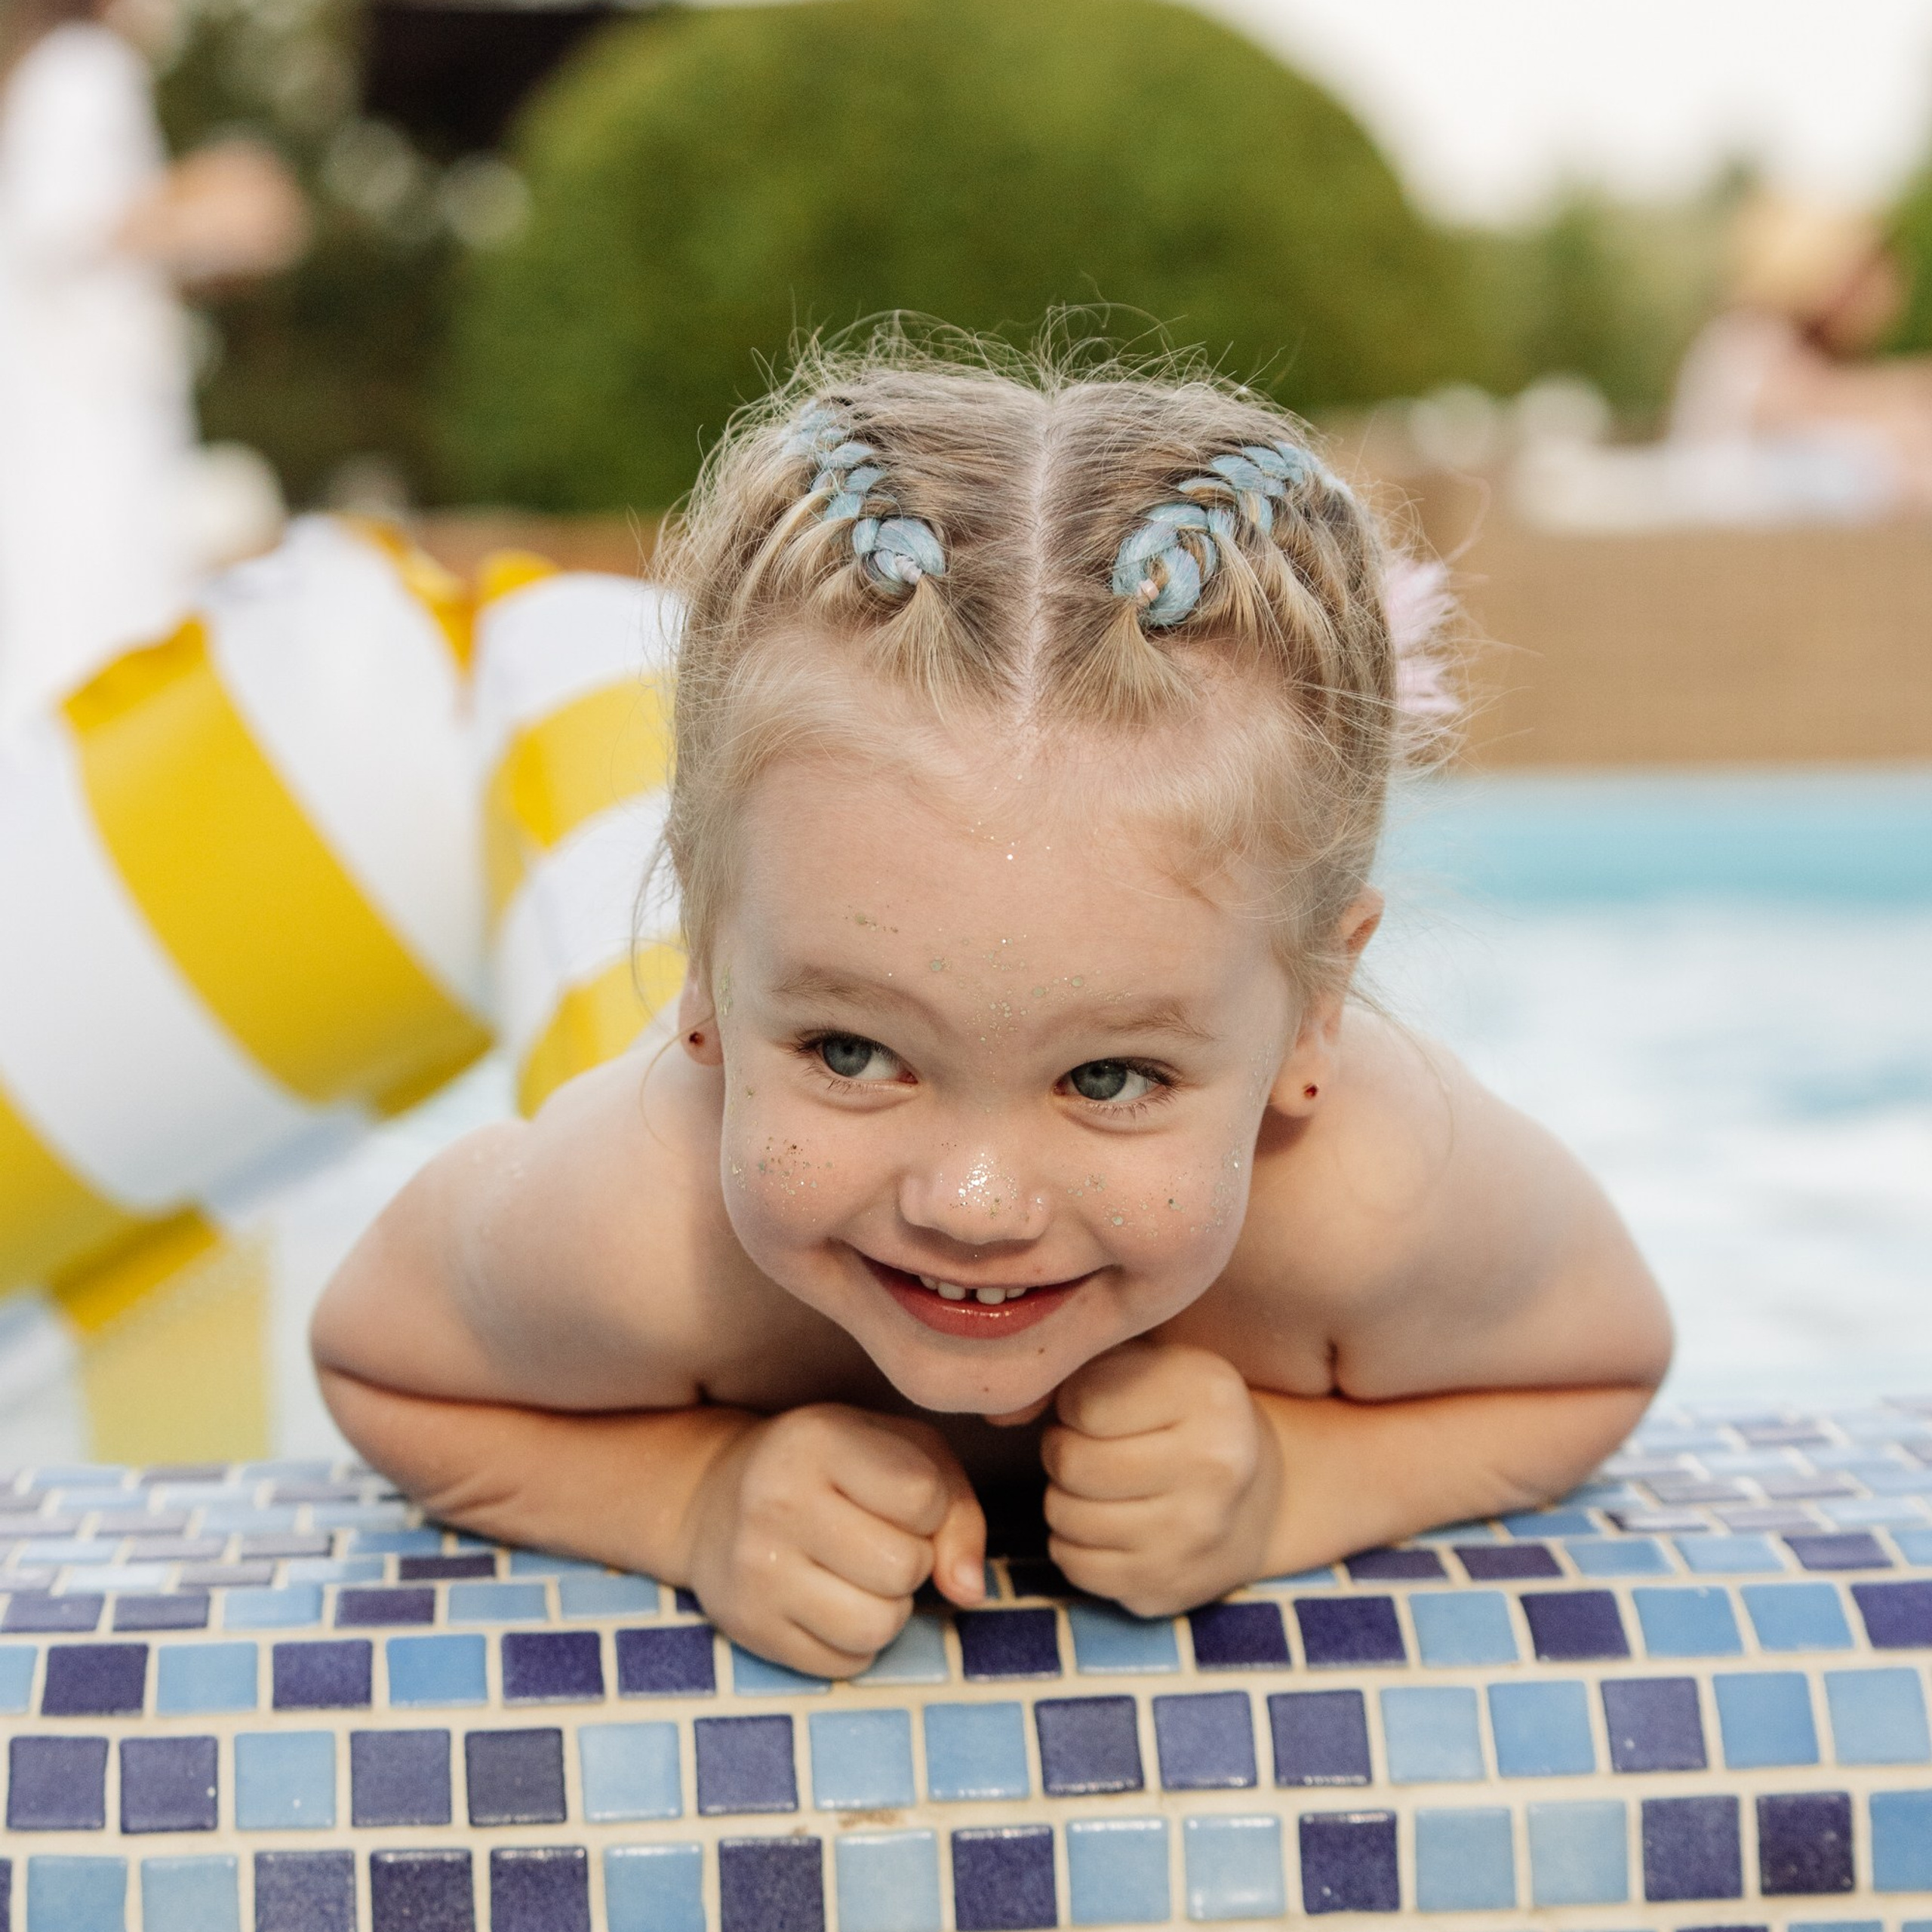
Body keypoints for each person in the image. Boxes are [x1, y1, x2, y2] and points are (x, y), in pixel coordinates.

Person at [313, 346, 1672, 1676]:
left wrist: (1291, 1489)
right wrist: (690, 1503)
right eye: (853, 1050)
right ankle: (552, 665)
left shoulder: (1369, 1192)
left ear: (1315, 1013)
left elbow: (1602, 1365)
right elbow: (379, 1363)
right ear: (707, 969)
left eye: (1112, 1077)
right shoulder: (643, 1228)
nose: (973, 1201)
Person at [0, 0, 304, 727]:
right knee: (86, 647)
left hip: (84, 432)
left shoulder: (70, 71)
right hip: (77, 440)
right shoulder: (86, 68)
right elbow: (63, 227)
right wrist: (210, 208)